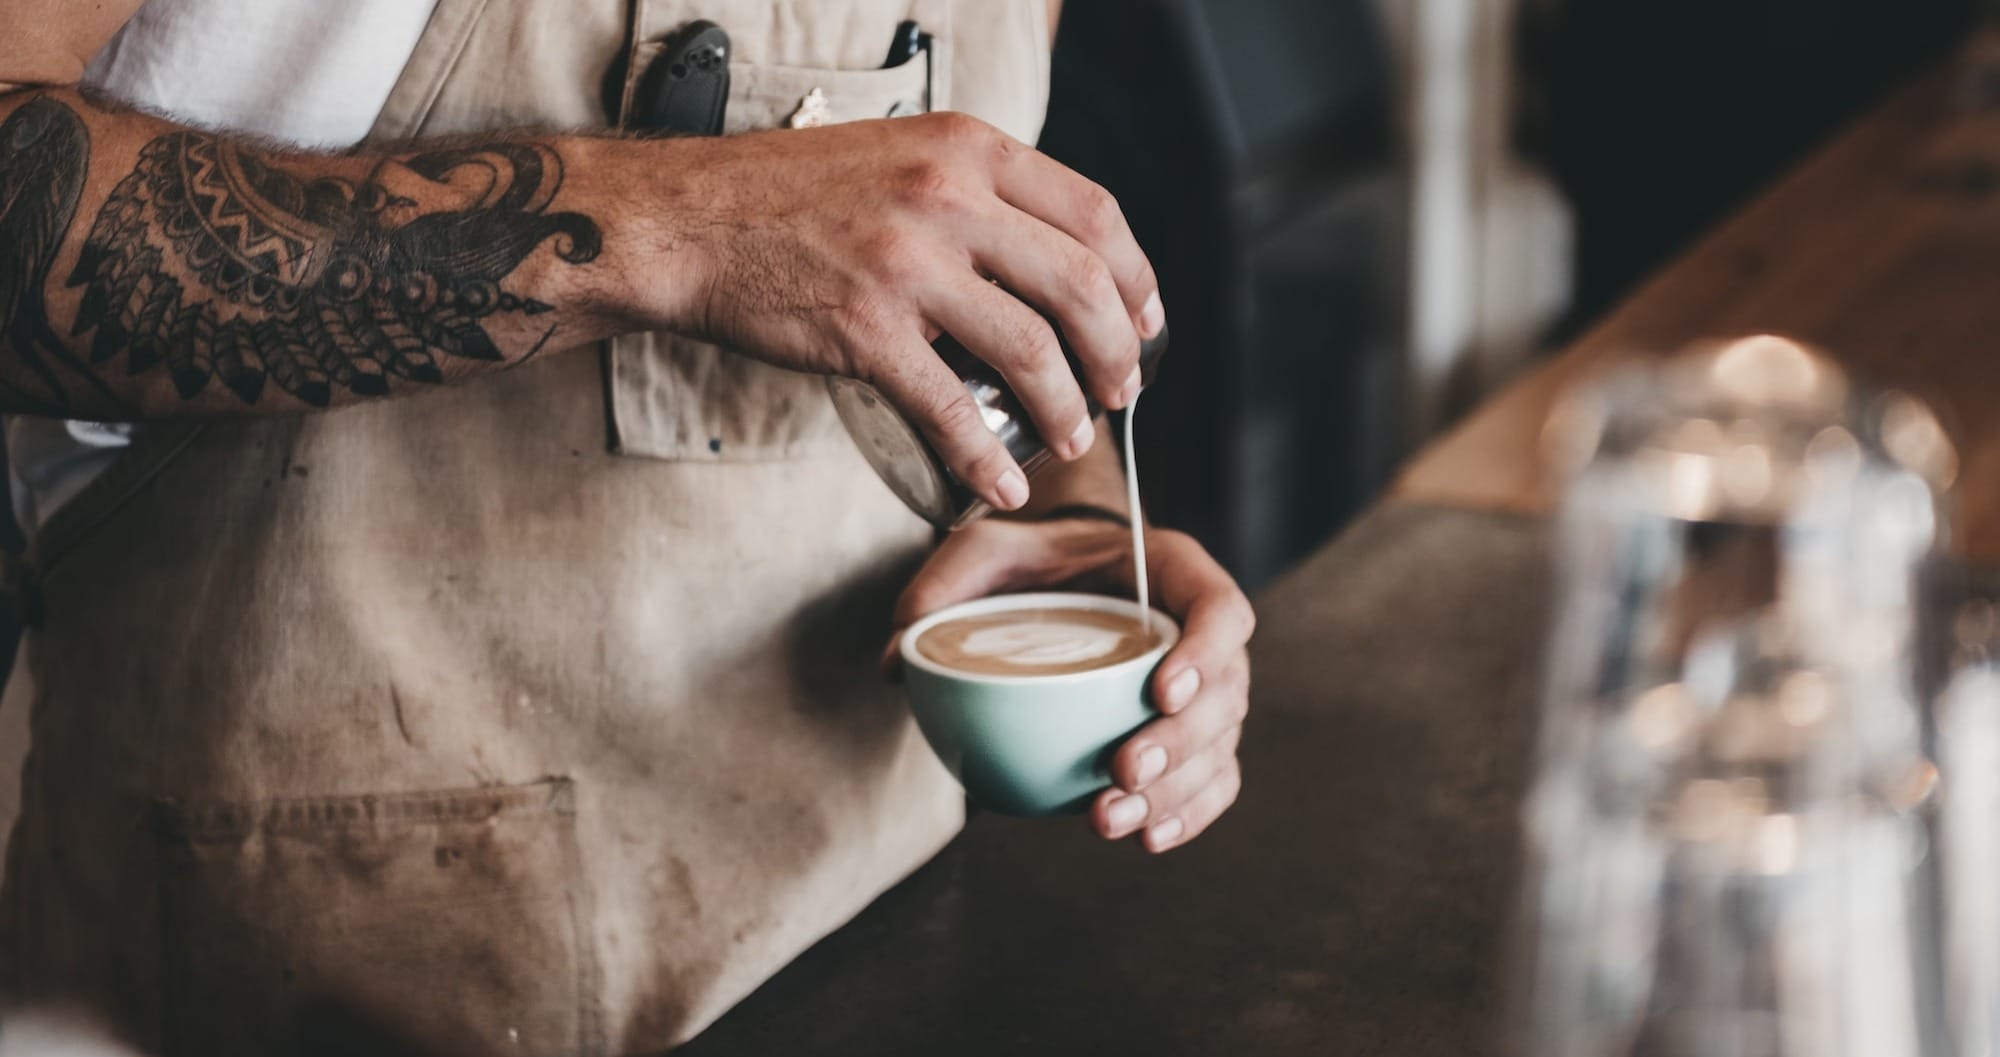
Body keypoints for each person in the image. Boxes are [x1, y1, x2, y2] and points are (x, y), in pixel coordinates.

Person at [0, 0, 1255, 1052]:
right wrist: (681, 223)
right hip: (316, 953)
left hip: (880, 939)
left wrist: (1057, 520)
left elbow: (927, 295)